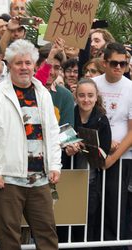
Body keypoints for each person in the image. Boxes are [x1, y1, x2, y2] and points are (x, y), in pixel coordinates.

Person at [0, 39, 62, 250]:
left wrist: (55, 166)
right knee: (9, 239)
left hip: (40, 179)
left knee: (47, 235)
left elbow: (52, 132)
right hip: (8, 179)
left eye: (27, 63)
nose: (23, 67)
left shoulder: (43, 93)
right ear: (9, 65)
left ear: (34, 65)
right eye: (18, 63)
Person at [93, 42, 132, 248]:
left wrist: (111, 159)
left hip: (121, 159)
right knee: (94, 209)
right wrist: (101, 148)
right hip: (93, 155)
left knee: (115, 211)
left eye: (123, 64)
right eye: (114, 63)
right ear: (104, 63)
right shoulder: (93, 84)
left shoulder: (130, 88)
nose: (119, 68)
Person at [65, 78, 111, 244]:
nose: (86, 99)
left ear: (96, 96)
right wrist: (67, 147)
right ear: (75, 96)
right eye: (82, 95)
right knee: (65, 221)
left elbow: (104, 152)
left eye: (90, 95)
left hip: (90, 181)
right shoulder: (69, 113)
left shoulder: (101, 119)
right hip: (67, 178)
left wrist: (89, 147)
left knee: (86, 223)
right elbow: (59, 137)